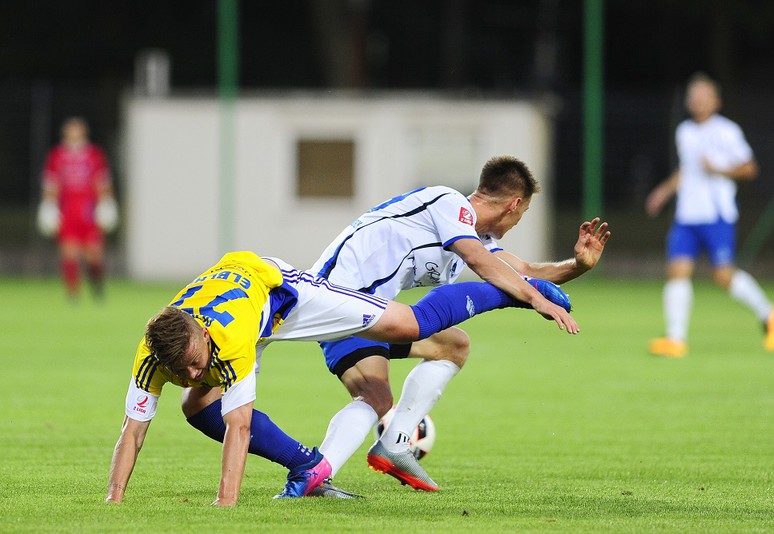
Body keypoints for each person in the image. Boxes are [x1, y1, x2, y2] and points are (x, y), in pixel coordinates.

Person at [106, 251, 577, 506]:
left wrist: (225, 505)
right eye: (180, 369)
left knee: (409, 325)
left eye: (195, 362)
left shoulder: (223, 340)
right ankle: (307, 465)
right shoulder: (156, 353)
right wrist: (115, 499)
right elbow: (133, 430)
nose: (191, 374)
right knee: (196, 406)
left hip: (285, 294)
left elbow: (240, 425)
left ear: (201, 337)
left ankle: (518, 293)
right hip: (236, 299)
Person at [307, 154, 611, 493]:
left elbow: (523, 272)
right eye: (522, 214)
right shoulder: (449, 204)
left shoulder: (471, 234)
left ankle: (382, 450)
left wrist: (579, 265)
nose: (517, 222)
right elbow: (480, 262)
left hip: (368, 308)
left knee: (448, 348)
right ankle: (327, 470)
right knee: (384, 381)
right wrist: (536, 300)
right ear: (514, 205)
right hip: (338, 295)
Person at [645, 72, 774, 358]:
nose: (696, 101)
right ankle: (676, 339)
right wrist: (664, 191)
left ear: (716, 101)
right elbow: (686, 170)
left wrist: (719, 169)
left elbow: (749, 168)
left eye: (702, 96)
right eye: (692, 97)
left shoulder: (727, 131)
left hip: (716, 214)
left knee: (722, 275)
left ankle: (768, 313)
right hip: (687, 215)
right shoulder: (684, 131)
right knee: (677, 271)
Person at [36, 117, 119, 300]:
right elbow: (51, 184)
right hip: (68, 212)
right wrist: (48, 207)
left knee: (94, 255)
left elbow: (102, 182)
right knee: (70, 253)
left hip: (89, 213)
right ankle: (73, 294)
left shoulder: (94, 155)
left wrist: (106, 204)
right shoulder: (56, 156)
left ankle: (97, 287)